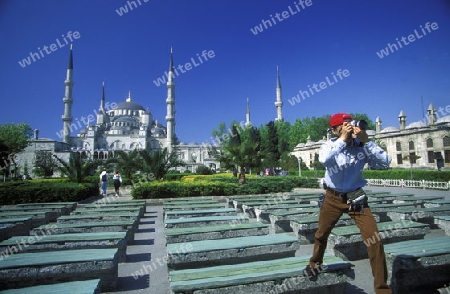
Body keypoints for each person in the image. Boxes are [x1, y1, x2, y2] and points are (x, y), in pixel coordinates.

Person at [304, 113, 392, 294]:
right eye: (344, 126)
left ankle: (382, 290)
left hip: (356, 197)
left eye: (350, 124)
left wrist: (367, 141)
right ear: (335, 130)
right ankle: (315, 264)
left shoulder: (362, 146)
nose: (350, 128)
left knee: (374, 239)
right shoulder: (329, 145)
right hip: (332, 197)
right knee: (321, 234)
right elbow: (324, 160)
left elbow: (385, 163)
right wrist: (343, 140)